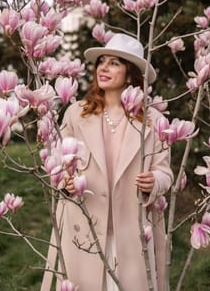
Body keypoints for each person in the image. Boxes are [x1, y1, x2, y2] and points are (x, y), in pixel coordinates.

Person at [41, 33, 173, 291]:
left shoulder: (153, 121)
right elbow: (57, 163)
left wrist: (155, 181)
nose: (104, 67)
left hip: (130, 230)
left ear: (131, 74)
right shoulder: (76, 114)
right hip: (84, 226)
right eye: (102, 61)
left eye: (114, 63)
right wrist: (64, 181)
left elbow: (164, 171)